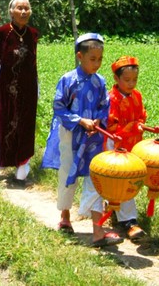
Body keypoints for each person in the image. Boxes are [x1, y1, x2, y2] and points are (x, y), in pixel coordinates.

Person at [40, 33, 123, 247]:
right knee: (68, 174)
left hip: (94, 138)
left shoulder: (100, 82)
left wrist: (97, 120)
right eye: (92, 59)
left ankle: (97, 230)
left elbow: (105, 107)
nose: (96, 63)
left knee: (95, 177)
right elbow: (59, 106)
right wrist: (79, 120)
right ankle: (65, 217)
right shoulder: (68, 80)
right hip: (70, 136)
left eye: (100, 59)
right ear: (80, 56)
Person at [0, 0, 39, 188]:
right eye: (19, 8)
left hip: (28, 88)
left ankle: (21, 171)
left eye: (26, 9)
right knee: (1, 123)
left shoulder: (33, 34)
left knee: (25, 126)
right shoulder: (2, 33)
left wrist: (36, 88)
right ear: (11, 11)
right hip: (4, 86)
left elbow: (33, 62)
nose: (23, 12)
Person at [105, 55, 148, 241]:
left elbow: (141, 115)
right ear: (116, 78)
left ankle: (116, 211)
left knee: (131, 179)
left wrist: (139, 124)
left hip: (134, 144)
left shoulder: (137, 96)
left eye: (135, 80)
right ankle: (130, 222)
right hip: (117, 145)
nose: (131, 84)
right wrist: (130, 128)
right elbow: (111, 125)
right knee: (124, 180)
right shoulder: (111, 99)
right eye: (127, 80)